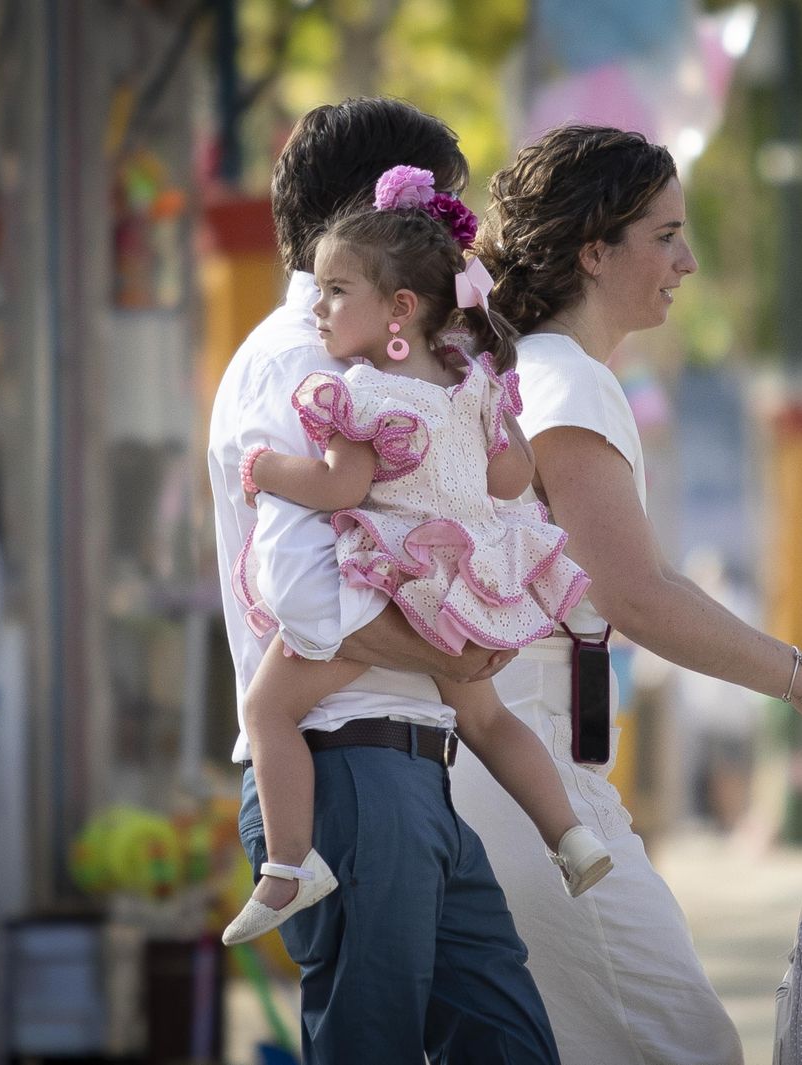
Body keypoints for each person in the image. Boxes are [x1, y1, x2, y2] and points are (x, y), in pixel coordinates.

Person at [450, 124, 802, 1065]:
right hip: (531, 779)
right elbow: (638, 593)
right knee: (687, 1046)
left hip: (513, 772)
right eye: (663, 235)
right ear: (593, 249)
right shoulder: (566, 382)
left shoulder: (529, 375)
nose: (687, 261)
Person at [206, 99, 558, 1065]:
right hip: (347, 765)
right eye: (439, 212)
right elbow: (307, 598)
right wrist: (463, 650)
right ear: (376, 226)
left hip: (405, 768)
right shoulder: (304, 365)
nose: (457, 244)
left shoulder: (387, 365)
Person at [220, 165, 613, 948]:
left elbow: (341, 487)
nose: (319, 308)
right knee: (488, 717)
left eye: (335, 291)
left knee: (268, 708)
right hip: (475, 578)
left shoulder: (359, 393)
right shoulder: (470, 380)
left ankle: (291, 865)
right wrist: (498, 423)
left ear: (400, 309)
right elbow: (510, 478)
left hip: (403, 583)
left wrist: (263, 470)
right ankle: (572, 833)